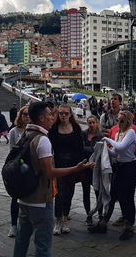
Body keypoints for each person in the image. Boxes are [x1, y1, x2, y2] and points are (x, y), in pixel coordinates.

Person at [13, 102, 94, 257]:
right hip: (40, 199)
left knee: (22, 239)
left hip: (24, 198)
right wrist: (75, 169)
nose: (53, 117)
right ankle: (60, 219)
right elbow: (49, 172)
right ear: (42, 118)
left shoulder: (24, 134)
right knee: (43, 245)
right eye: (50, 114)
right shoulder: (42, 139)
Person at [88, 110, 136, 240]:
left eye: (122, 121)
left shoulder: (131, 132)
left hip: (129, 167)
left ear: (128, 121)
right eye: (118, 121)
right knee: (113, 194)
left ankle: (129, 226)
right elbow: (116, 153)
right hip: (120, 167)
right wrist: (104, 149)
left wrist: (108, 139)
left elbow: (120, 147)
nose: (119, 123)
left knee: (127, 197)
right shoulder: (118, 134)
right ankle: (104, 223)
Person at [48, 104, 84, 235]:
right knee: (59, 193)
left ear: (70, 115)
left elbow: (80, 147)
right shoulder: (53, 129)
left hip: (72, 165)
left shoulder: (75, 128)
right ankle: (58, 219)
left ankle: (65, 218)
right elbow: (49, 148)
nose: (63, 116)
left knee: (69, 192)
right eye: (61, 113)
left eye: (66, 113)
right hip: (58, 164)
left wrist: (78, 165)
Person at [6, 106, 31, 238]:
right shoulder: (14, 131)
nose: (27, 117)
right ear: (20, 116)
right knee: (15, 198)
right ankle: (13, 225)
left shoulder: (34, 131)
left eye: (29, 114)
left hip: (30, 169)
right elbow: (12, 151)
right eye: (24, 114)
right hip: (18, 168)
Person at [82, 115, 105, 225]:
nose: (91, 125)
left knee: (98, 192)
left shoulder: (100, 136)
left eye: (93, 122)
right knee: (85, 191)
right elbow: (80, 149)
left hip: (96, 167)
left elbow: (100, 151)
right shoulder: (83, 134)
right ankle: (88, 214)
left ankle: (100, 213)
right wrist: (92, 150)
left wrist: (88, 150)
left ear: (97, 123)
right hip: (85, 167)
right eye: (89, 123)